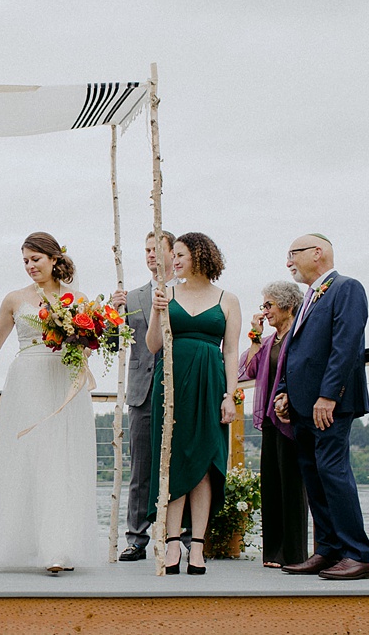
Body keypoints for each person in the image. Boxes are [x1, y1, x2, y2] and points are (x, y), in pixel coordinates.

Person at [0, 231, 101, 573]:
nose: (30, 266)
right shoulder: (14, 299)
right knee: (30, 458)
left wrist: (85, 339)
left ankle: (58, 548)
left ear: (54, 259)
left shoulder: (78, 300)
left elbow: (89, 345)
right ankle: (20, 544)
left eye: (36, 259)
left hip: (64, 383)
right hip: (27, 383)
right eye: (25, 261)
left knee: (62, 460)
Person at [275, 234, 369, 580]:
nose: (288, 261)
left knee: (332, 471)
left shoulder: (347, 288)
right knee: (313, 476)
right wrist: (284, 392)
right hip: (303, 405)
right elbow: (295, 350)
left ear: (317, 253)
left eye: (293, 253)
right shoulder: (308, 298)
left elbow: (346, 344)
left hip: (329, 403)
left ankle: (357, 554)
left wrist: (329, 395)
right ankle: (328, 550)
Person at [145, 232, 241, 576]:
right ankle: (172, 542)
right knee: (171, 460)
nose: (174, 261)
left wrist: (230, 395)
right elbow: (153, 345)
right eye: (174, 255)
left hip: (210, 384)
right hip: (171, 383)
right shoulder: (167, 294)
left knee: (204, 464)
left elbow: (231, 351)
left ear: (200, 257)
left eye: (180, 255)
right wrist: (156, 311)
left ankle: (196, 545)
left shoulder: (228, 299)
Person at [111, 230, 178, 562]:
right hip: (142, 390)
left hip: (179, 387)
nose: (150, 254)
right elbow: (114, 344)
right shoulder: (133, 296)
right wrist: (113, 313)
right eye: (147, 249)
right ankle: (136, 538)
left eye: (156, 249)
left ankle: (180, 537)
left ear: (174, 253)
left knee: (179, 463)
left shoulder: (186, 292)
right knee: (140, 468)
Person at [238, 281, 307, 569]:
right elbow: (246, 370)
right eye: (263, 306)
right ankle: (273, 553)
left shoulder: (299, 336)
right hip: (270, 419)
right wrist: (255, 336)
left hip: (291, 418)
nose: (265, 311)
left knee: (292, 486)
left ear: (288, 306)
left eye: (269, 305)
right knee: (271, 485)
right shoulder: (268, 342)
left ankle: (293, 554)